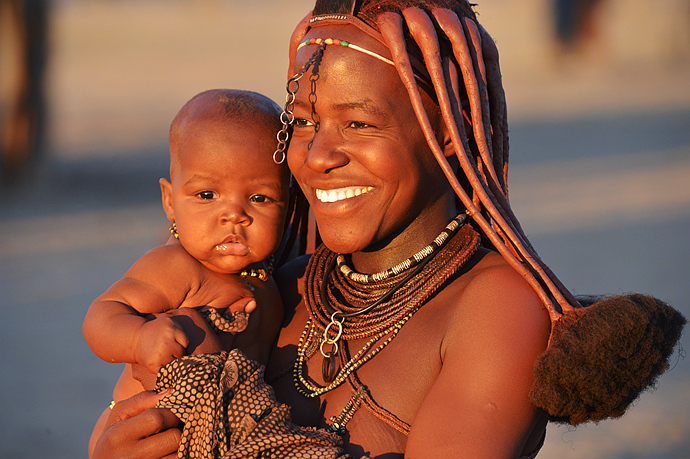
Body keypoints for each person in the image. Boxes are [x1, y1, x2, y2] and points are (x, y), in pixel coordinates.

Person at [92, 1, 685, 458]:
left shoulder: (495, 308)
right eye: (303, 123)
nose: (320, 155)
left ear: (447, 131)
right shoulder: (278, 289)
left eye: (358, 123)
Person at [84, 89, 289, 456]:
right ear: (169, 201)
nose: (234, 215)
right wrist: (139, 339)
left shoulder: (269, 285)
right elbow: (100, 316)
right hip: (143, 430)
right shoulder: (176, 266)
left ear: (287, 207)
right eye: (207, 195)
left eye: (259, 198)